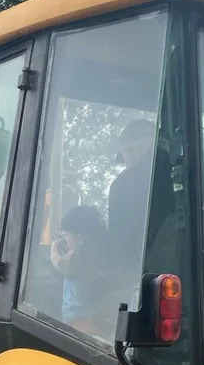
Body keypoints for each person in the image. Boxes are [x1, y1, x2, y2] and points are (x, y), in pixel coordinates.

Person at [107, 117, 173, 260]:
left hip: (143, 270)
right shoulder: (187, 176)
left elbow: (118, 241)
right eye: (127, 151)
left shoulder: (123, 184)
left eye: (133, 150)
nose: (130, 157)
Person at [50, 205, 111, 334]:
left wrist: (54, 249)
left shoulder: (77, 258)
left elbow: (58, 263)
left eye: (65, 235)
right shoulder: (96, 258)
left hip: (77, 322)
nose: (64, 240)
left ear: (80, 239)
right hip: (91, 318)